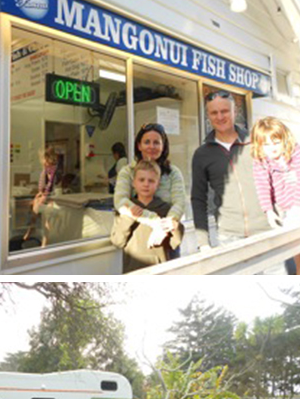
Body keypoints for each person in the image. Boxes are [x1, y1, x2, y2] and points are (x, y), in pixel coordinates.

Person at [191, 91, 285, 273]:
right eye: (214, 113)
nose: (220, 117)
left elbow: (279, 174)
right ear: (208, 115)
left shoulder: (256, 142)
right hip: (228, 236)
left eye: (225, 111)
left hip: (267, 230)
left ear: (235, 111)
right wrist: (203, 243)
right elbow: (198, 199)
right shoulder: (202, 154)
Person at [251, 117, 300, 275]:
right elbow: (262, 185)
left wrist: (297, 207)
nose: (272, 148)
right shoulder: (260, 161)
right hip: (290, 212)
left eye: (276, 142)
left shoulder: (295, 151)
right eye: (266, 144)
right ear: (259, 145)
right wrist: (269, 211)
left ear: (284, 139)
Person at [114, 124, 186, 256]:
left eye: (156, 143)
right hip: (137, 241)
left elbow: (179, 203)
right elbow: (120, 201)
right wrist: (154, 221)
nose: (151, 146)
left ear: (163, 146)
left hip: (167, 241)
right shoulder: (127, 171)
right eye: (147, 142)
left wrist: (165, 226)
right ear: (139, 145)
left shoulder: (173, 172)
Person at [110, 160, 183, 272]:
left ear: (158, 184)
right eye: (141, 180)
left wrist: (175, 226)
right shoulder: (126, 210)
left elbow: (175, 243)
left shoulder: (165, 209)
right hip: (132, 270)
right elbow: (117, 241)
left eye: (151, 181)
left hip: (161, 270)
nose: (146, 184)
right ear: (133, 183)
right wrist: (129, 217)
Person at [22, 146, 60, 245]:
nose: (42, 161)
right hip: (45, 194)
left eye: (42, 159)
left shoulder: (53, 169)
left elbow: (50, 184)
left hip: (51, 196)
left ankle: (40, 237)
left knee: (46, 219)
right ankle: (32, 228)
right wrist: (39, 193)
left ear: (47, 159)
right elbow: (43, 182)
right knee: (35, 208)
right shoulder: (46, 168)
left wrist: (44, 195)